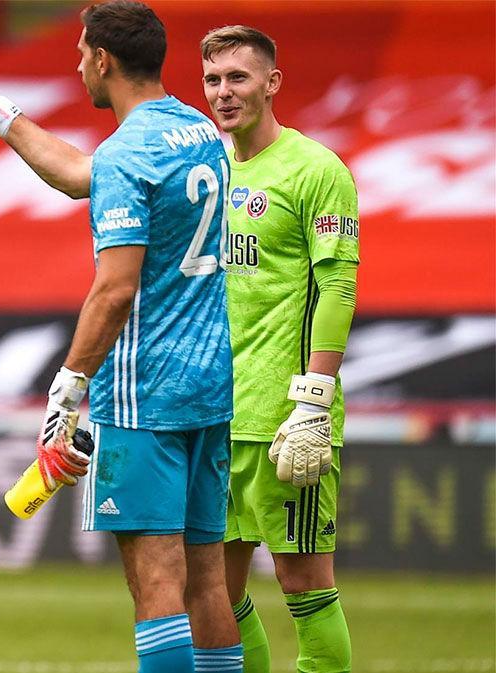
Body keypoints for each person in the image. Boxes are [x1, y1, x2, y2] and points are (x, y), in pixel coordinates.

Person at [0, 2, 241, 671]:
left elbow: (115, 289)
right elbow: (81, 173)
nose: (77, 65)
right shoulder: (196, 129)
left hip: (143, 395)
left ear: (103, 59)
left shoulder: (127, 156)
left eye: (81, 53)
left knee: (156, 584)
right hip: (210, 385)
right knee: (208, 581)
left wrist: (66, 386)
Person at [201, 26, 358, 673]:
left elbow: (338, 282)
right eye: (213, 79)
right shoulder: (206, 171)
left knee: (302, 585)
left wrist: (314, 401)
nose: (224, 92)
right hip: (215, 414)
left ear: (272, 83)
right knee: (215, 592)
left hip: (285, 419)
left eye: (238, 77)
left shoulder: (316, 169)